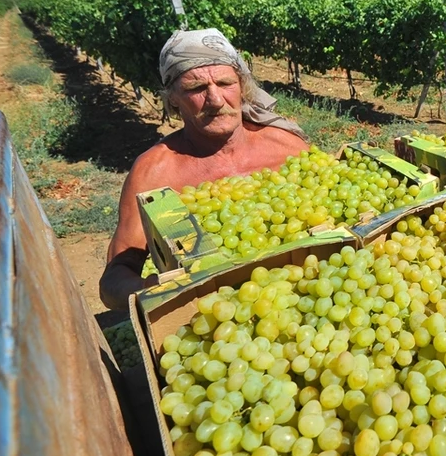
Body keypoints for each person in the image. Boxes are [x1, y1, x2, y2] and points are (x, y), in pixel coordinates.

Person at [98, 28, 310, 310]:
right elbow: (113, 281)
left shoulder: (287, 147)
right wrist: (157, 291)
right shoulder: (155, 173)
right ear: (173, 97)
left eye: (225, 83)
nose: (216, 100)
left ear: (242, 86)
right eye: (196, 88)